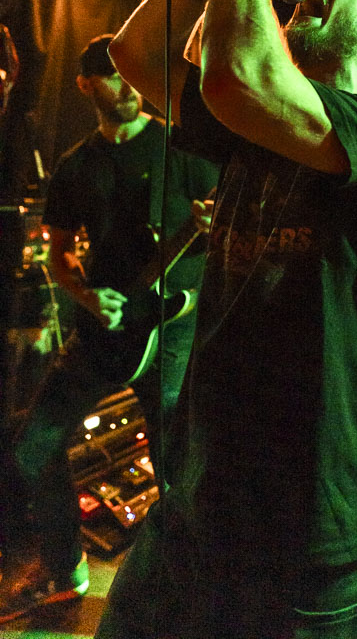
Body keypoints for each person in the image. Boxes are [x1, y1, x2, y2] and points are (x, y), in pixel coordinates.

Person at [92, 0, 357, 639]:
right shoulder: (254, 127)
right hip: (192, 521)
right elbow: (135, 53)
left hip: (316, 558)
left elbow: (239, 77)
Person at [0, 35, 219, 625]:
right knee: (32, 446)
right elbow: (60, 252)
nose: (124, 86)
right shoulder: (77, 166)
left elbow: (234, 235)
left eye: (129, 75)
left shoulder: (182, 148)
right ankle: (64, 568)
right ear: (84, 85)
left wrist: (212, 229)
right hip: (104, 329)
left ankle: (183, 593)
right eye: (109, 76)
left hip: (171, 330)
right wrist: (86, 296)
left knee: (177, 472)